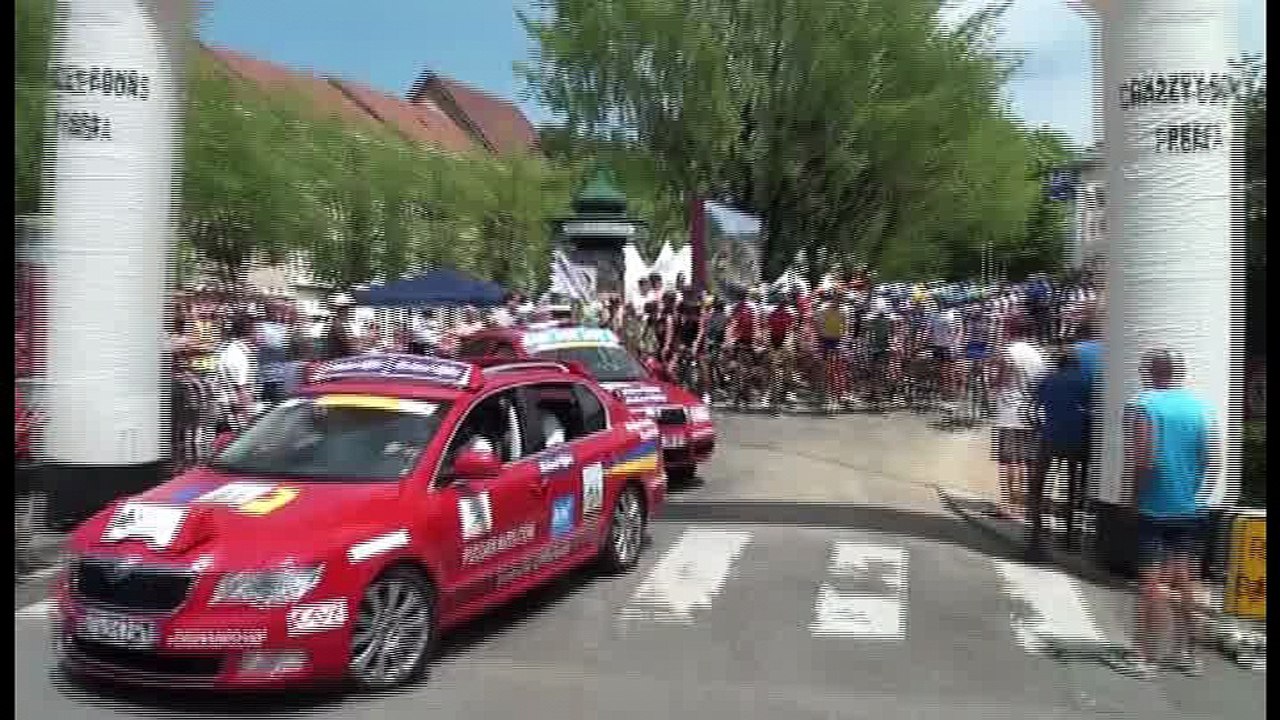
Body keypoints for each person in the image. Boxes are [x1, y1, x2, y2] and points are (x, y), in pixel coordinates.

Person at [1108, 349, 1215, 680]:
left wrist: (1131, 500)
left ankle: (1145, 657)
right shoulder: (1202, 408)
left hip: (1155, 506)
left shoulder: (1145, 405)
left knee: (1151, 583)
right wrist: (1198, 495)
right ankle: (1188, 654)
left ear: (1151, 371)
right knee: (1186, 578)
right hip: (1191, 507)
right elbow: (1213, 458)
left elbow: (1143, 459)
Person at [1026, 347, 1091, 559]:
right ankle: (1070, 537)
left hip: (1050, 436)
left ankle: (1036, 534)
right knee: (1073, 488)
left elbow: (1032, 409)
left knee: (1038, 485)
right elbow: (1091, 408)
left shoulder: (1049, 379)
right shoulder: (1086, 379)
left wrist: (1038, 427)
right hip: (1077, 438)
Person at [990, 318, 1046, 520]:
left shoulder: (1008, 351)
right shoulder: (1039, 354)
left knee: (1007, 461)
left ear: (1011, 329)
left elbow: (1000, 381)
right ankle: (1025, 506)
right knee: (1028, 460)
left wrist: (993, 379)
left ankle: (1007, 505)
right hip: (1032, 412)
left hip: (1009, 411)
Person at [215, 314, 259, 434]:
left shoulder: (232, 349)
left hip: (228, 407)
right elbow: (241, 390)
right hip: (234, 410)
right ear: (251, 332)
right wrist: (249, 419)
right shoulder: (239, 354)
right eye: (258, 330)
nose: (262, 335)